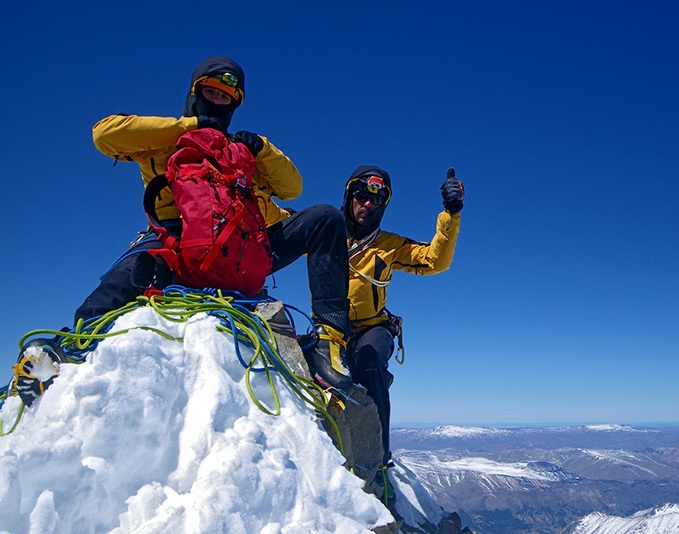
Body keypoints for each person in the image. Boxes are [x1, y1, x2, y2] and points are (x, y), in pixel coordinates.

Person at [15, 56, 353, 405]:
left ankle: (330, 338)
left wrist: (262, 149)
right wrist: (185, 127)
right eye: (212, 92)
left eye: (228, 98)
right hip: (176, 241)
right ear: (195, 93)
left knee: (326, 217)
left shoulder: (241, 153)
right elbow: (105, 134)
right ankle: (65, 351)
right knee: (119, 287)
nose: (219, 103)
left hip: (242, 248)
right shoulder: (167, 138)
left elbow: (292, 187)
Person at [340, 164, 464, 500]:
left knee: (368, 365)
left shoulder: (388, 245)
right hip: (332, 328)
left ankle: (379, 457)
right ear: (350, 196)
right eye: (361, 195)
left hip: (373, 327)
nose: (367, 204)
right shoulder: (327, 233)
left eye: (376, 200)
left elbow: (434, 261)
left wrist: (451, 215)